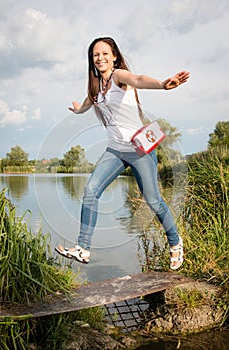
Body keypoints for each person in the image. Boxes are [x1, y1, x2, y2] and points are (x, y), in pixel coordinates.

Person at [55, 37, 190, 270]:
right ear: (92, 59)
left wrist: (162, 84)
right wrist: (79, 111)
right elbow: (90, 102)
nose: (100, 58)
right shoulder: (96, 86)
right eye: (96, 55)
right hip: (115, 151)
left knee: (153, 200)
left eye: (105, 53)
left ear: (114, 56)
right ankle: (83, 248)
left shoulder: (118, 76)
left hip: (138, 150)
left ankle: (175, 243)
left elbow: (137, 79)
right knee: (90, 192)